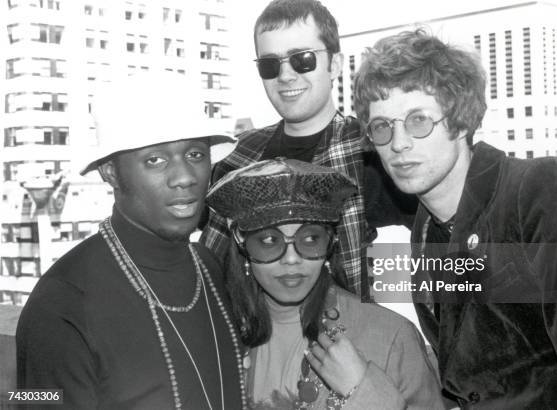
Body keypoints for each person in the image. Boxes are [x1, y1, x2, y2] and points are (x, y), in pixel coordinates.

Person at [353, 28, 557, 408]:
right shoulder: (426, 230)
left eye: (418, 120)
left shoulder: (541, 194)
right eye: (382, 126)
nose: (399, 143)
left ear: (459, 122)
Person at [16, 72, 245, 410]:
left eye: (196, 154)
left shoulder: (209, 266)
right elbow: (31, 397)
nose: (184, 177)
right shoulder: (60, 303)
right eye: (155, 160)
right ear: (110, 172)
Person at [206, 158, 444, 410]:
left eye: (309, 239)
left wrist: (364, 391)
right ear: (243, 247)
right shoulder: (215, 333)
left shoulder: (392, 337)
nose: (291, 259)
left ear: (329, 244)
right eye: (269, 241)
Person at [201, 0, 378, 300]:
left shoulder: (372, 152)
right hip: (252, 340)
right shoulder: (238, 158)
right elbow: (212, 266)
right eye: (270, 65)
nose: (285, 76)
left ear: (334, 64)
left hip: (346, 338)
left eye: (302, 59)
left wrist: (383, 326)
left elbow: (450, 259)